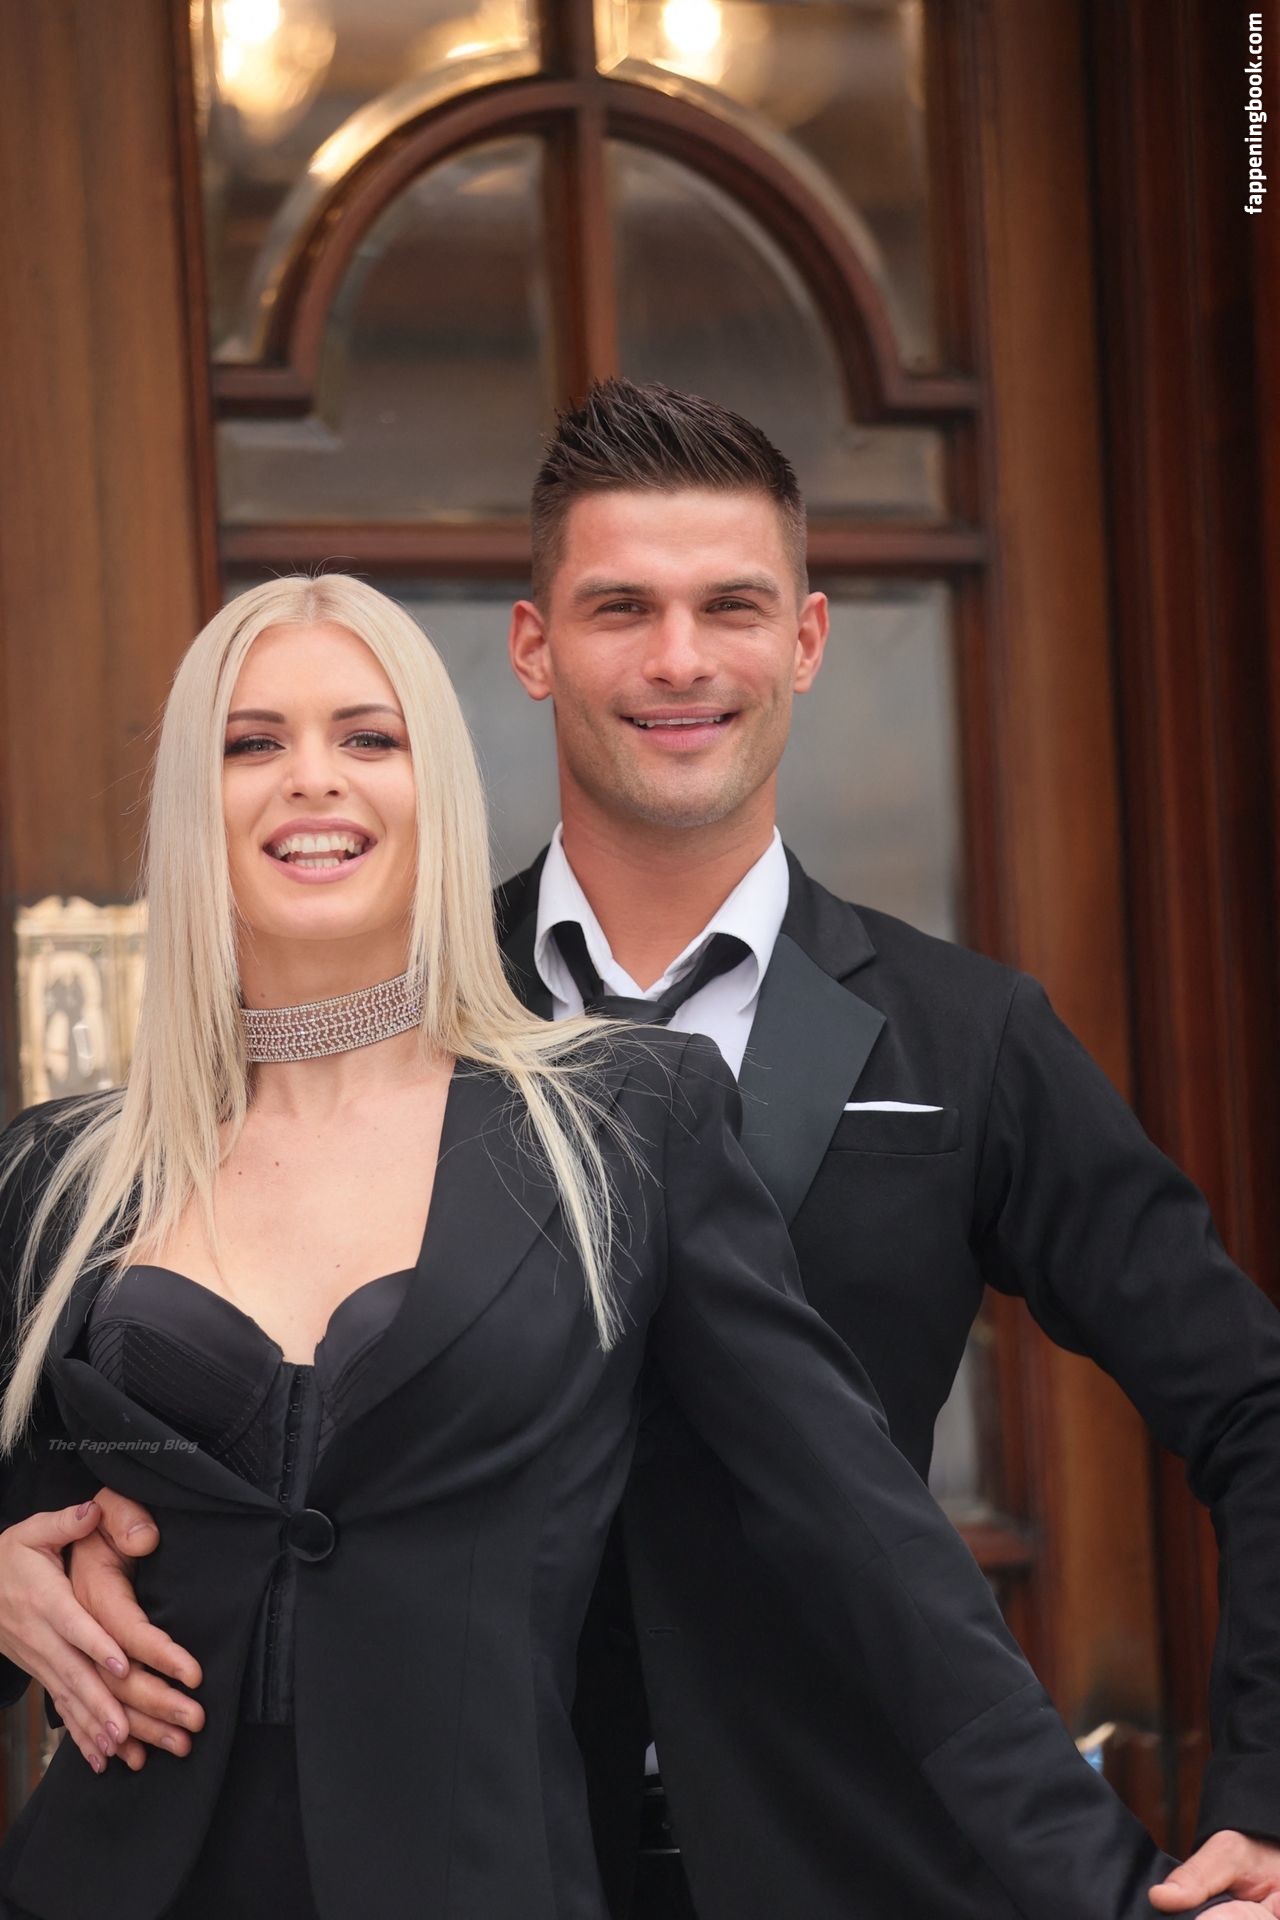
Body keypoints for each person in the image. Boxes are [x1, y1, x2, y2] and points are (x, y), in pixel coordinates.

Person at [15, 388, 1280, 1916]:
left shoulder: (969, 1038)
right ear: (532, 647)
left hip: (837, 1863)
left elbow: (1241, 1405)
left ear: (805, 640)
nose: (679, 661)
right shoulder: (381, 1006)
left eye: (729, 607)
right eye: (621, 608)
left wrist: (1257, 1808)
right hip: (473, 1850)